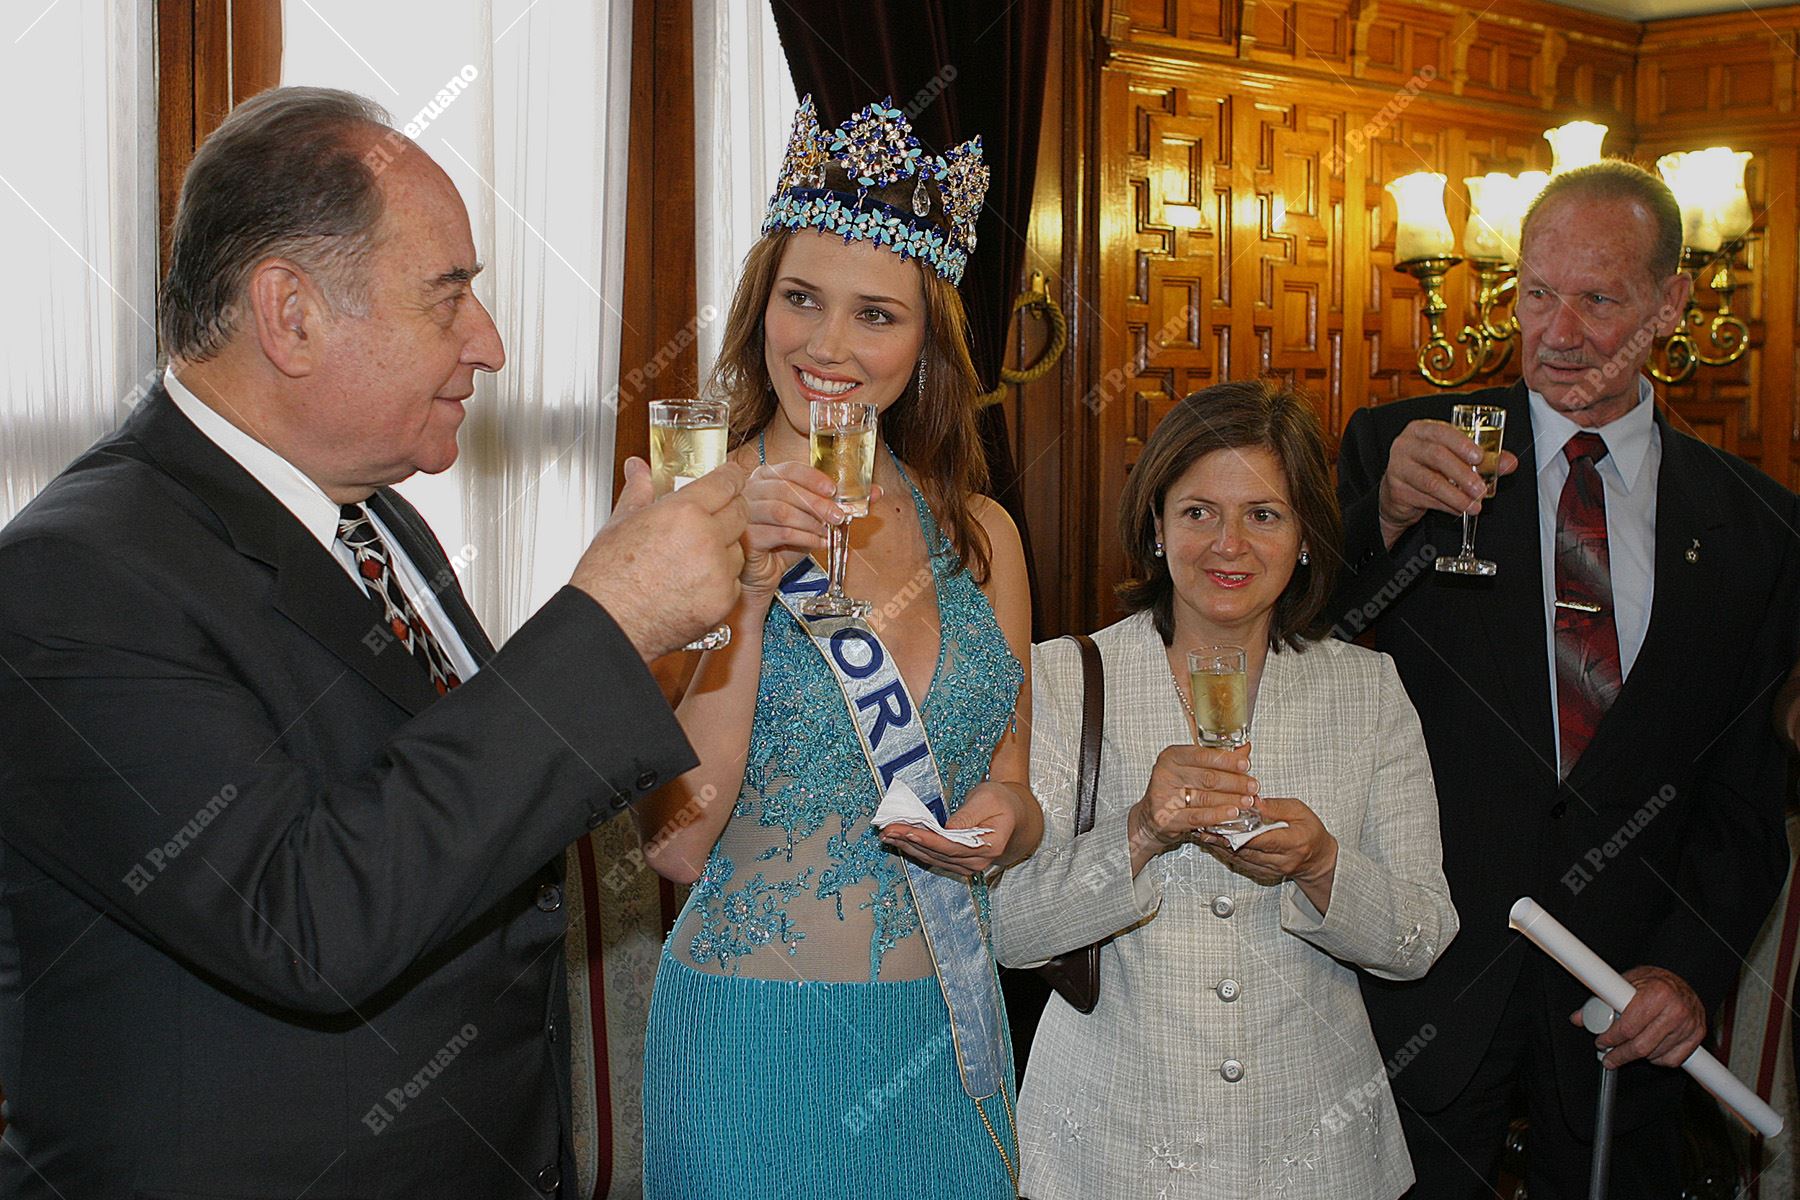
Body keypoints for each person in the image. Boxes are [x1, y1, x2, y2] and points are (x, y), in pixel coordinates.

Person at [0, 87, 747, 1198]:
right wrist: (609, 622)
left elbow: (455, 823)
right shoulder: (76, 576)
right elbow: (308, 925)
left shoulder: (374, 518)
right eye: (448, 298)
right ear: (290, 313)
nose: (488, 344)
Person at [1335, 159, 1800, 1198]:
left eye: (1600, 299)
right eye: (1537, 294)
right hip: (1428, 991)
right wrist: (1383, 522)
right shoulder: (1411, 451)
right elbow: (1303, 638)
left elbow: (1744, 802)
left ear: (1673, 303)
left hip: (1620, 1013)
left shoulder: (1758, 531)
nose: (1558, 333)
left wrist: (1687, 969)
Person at [635, 97, 1040, 1197]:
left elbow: (1015, 783)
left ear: (929, 340)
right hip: (750, 1046)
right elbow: (672, 844)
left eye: (877, 315)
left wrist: (1004, 823)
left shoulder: (984, 536)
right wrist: (753, 601)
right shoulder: (685, 520)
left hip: (944, 1037)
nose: (826, 346)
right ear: (760, 306)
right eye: (801, 299)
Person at [993, 379, 1458, 1198]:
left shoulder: (1368, 689)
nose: (1228, 544)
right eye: (1199, 510)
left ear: (1309, 533)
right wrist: (1139, 830)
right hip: (1109, 1153)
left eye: (1264, 514)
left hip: (1317, 1159)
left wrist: (1320, 865)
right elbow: (1008, 928)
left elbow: (1421, 939)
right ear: (1156, 524)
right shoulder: (1063, 678)